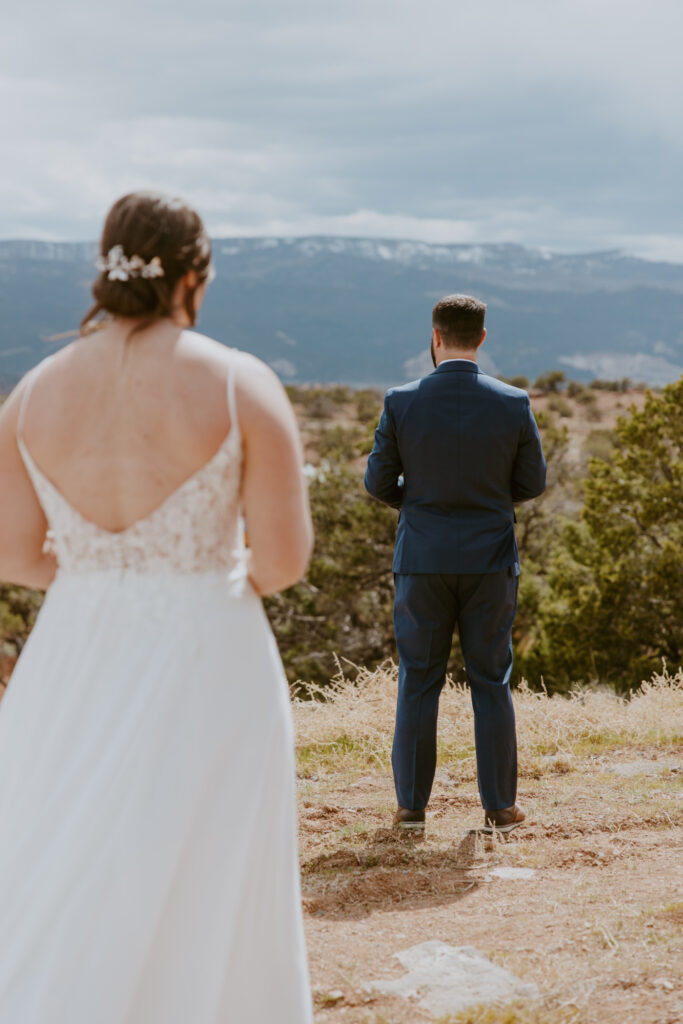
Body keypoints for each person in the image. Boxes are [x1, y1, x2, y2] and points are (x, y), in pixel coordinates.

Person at [0, 191, 314, 1022]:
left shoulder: (29, 396)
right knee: (209, 868)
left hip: (71, 650)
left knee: (64, 856)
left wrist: (103, 573)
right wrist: (192, 571)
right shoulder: (240, 382)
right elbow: (282, 562)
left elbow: (12, 556)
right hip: (210, 649)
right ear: (192, 277)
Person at [364, 294, 546, 834]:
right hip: (490, 561)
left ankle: (412, 810)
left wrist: (419, 504)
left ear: (435, 336)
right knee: (491, 681)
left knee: (418, 681)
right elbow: (532, 483)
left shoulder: (401, 401)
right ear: (482, 338)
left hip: (422, 560)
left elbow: (377, 481)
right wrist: (489, 503)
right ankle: (500, 808)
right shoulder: (513, 402)